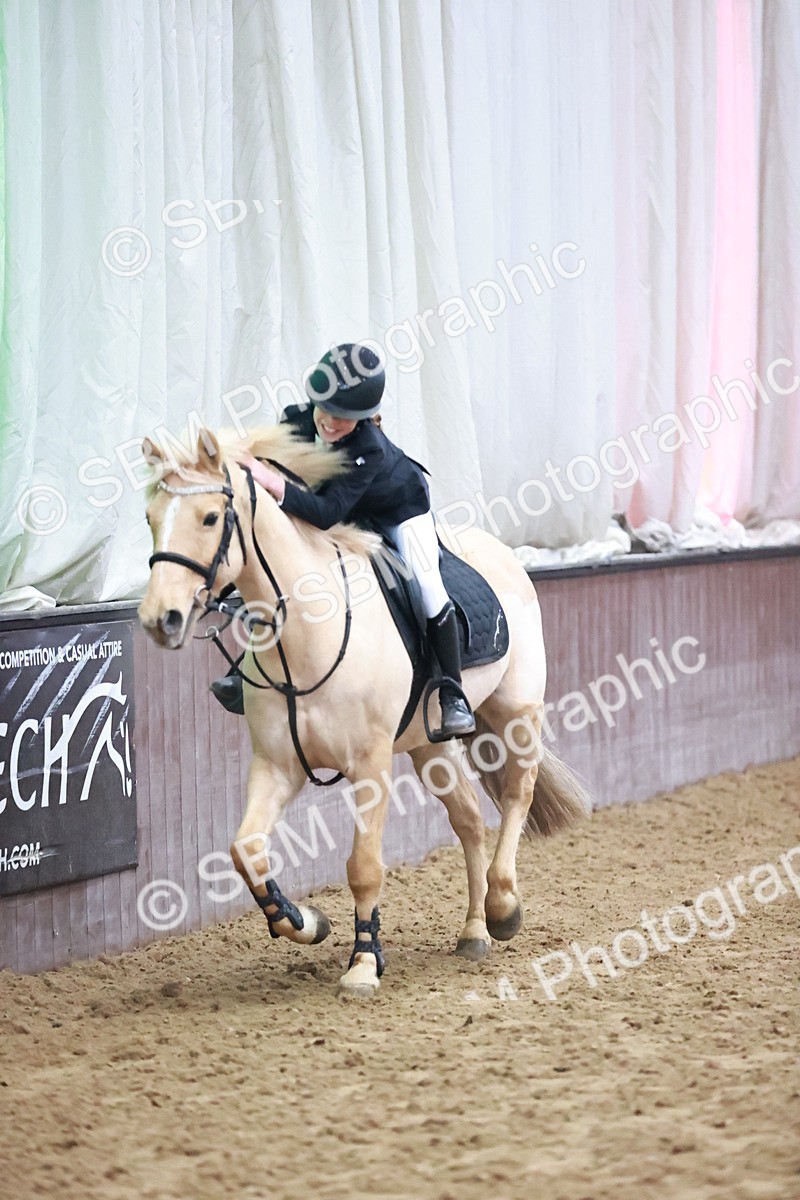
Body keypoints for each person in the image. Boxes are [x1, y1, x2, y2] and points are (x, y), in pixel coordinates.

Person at [214, 342, 475, 741]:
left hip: (399, 512)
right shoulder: (296, 422)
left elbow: (325, 512)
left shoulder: (369, 448)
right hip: (342, 506)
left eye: (344, 419)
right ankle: (247, 669)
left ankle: (453, 695)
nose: (331, 424)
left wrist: (272, 482)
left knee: (426, 585)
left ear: (367, 418)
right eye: (326, 411)